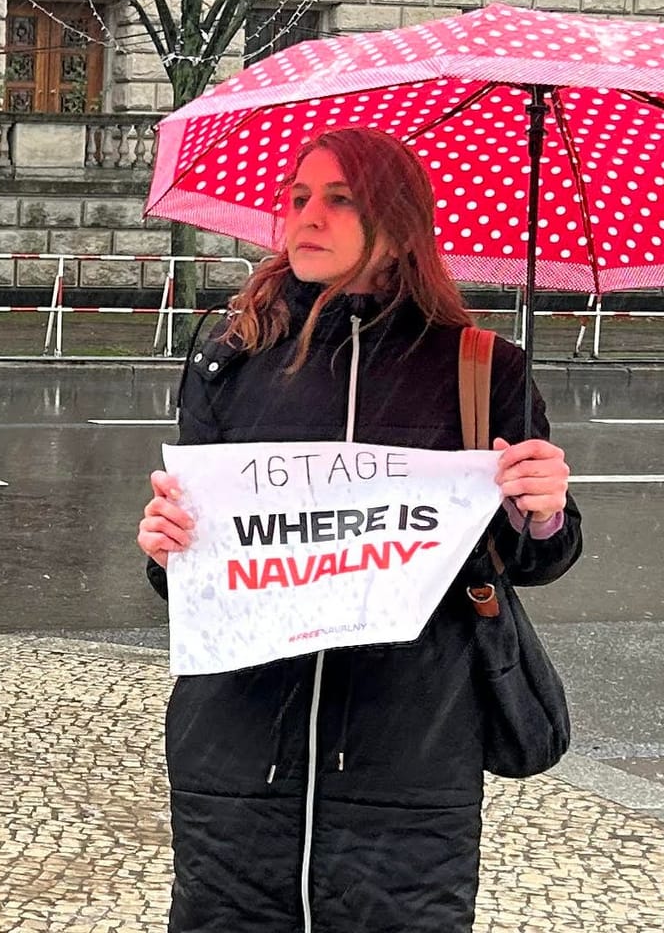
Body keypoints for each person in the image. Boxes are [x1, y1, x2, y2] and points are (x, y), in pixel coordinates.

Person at [133, 126, 582, 933]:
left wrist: (539, 509)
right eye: (299, 196)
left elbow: (538, 556)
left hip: (407, 756)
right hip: (236, 752)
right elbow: (189, 577)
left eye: (341, 199)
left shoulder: (483, 369)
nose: (309, 215)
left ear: (399, 220)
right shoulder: (230, 361)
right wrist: (166, 544)